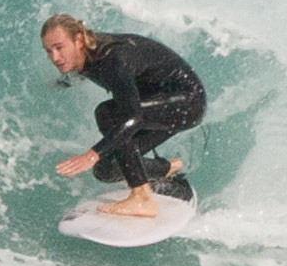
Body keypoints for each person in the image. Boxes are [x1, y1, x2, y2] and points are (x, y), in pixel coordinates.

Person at [41, 14, 206, 218]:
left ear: (79, 41)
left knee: (107, 113)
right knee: (107, 169)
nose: (55, 58)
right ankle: (168, 168)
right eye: (49, 51)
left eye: (59, 47)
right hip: (157, 103)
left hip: (188, 102)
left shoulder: (112, 60)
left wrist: (91, 155)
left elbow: (133, 116)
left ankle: (142, 198)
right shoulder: (84, 56)